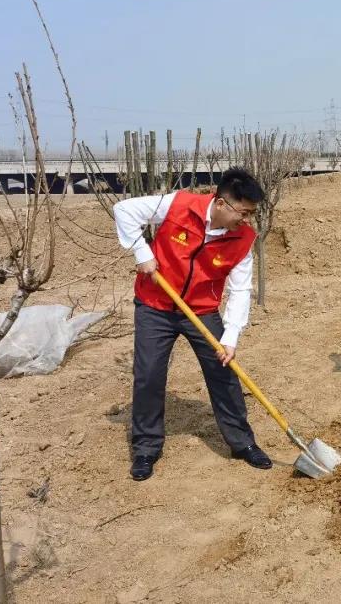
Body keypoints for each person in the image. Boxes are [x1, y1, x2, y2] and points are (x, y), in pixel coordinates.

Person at [114, 167, 272, 481]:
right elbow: (124, 210)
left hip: (200, 309)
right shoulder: (178, 205)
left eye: (252, 214)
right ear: (222, 203)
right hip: (155, 305)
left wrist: (230, 337)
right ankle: (146, 447)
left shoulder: (243, 239)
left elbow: (240, 288)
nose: (247, 220)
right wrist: (142, 252)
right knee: (148, 375)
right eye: (244, 212)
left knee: (223, 370)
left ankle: (242, 442)